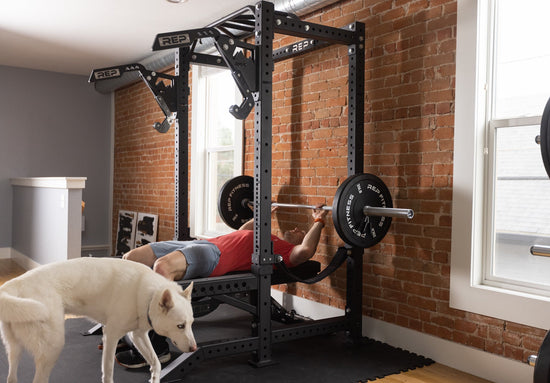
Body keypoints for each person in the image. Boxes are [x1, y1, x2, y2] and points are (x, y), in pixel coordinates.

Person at [115, 205, 328, 368]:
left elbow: (307, 251)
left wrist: (318, 220)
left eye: (299, 230)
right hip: (205, 242)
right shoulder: (264, 236)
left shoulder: (285, 252)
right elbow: (243, 230)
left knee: (162, 268)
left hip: (215, 256)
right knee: (130, 258)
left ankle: (158, 346)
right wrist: (265, 213)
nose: (295, 228)